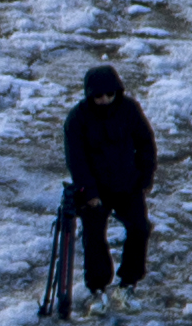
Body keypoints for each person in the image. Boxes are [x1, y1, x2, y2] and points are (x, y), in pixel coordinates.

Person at [61, 63, 159, 311]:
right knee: (94, 237)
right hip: (95, 189)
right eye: (98, 96)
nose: (104, 100)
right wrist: (90, 193)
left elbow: (146, 144)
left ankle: (128, 283)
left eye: (109, 94)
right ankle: (97, 288)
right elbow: (77, 160)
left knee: (139, 229)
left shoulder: (129, 110)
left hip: (127, 185)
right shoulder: (77, 118)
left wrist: (144, 179)